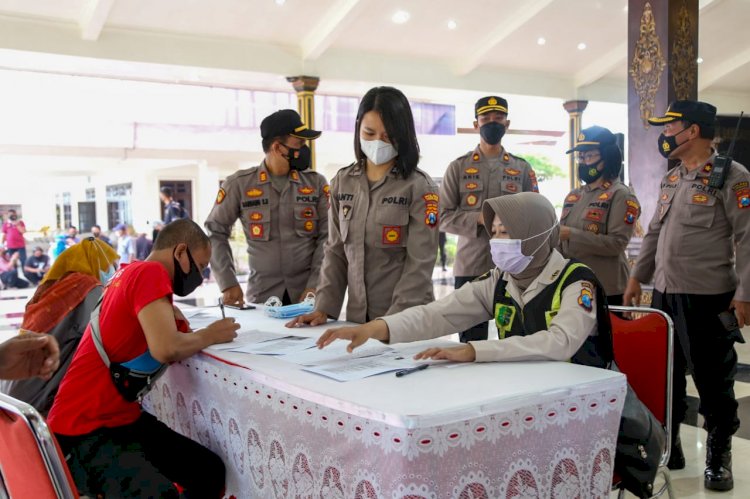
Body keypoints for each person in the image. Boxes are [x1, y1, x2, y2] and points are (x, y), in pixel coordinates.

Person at [47, 219, 239, 498]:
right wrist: (212, 334)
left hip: (117, 418)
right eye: (200, 266)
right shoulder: (150, 272)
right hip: (86, 427)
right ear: (180, 251)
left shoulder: (129, 271)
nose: (200, 275)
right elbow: (166, 348)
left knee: (206, 471)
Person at [315, 192, 611, 370]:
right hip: (527, 389)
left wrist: (474, 350)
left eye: (506, 232)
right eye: (494, 232)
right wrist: (376, 328)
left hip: (583, 395)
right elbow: (439, 314)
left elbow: (560, 343)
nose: (496, 241)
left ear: (535, 234)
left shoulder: (576, 281)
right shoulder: (500, 280)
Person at [623, 100, 750, 492]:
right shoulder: (672, 179)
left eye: (669, 127)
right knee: (667, 375)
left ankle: (718, 454)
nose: (663, 134)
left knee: (714, 379)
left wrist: (745, 293)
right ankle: (670, 443)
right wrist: (636, 278)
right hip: (665, 296)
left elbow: (748, 239)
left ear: (692, 131)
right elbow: (656, 235)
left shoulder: (734, 177)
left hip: (709, 297)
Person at [288, 86, 439, 325]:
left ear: (404, 135)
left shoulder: (420, 187)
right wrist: (323, 307)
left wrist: (389, 324)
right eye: (369, 133)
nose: (378, 142)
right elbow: (336, 251)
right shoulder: (343, 182)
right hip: (358, 319)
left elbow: (419, 264)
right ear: (358, 128)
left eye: (388, 136)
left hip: (406, 320)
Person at [440, 96, 539, 343]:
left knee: (516, 338)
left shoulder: (522, 168)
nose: (492, 123)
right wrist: (481, 219)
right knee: (471, 341)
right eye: (486, 119)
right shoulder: (458, 167)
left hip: (514, 266)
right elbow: (442, 217)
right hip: (471, 265)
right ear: (476, 124)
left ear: (507, 123)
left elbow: (537, 212)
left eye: (498, 118)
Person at [205, 109, 329, 306]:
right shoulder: (239, 184)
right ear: (278, 147)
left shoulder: (315, 183)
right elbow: (215, 232)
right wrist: (227, 283)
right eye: (300, 144)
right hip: (263, 297)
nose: (305, 150)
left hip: (308, 295)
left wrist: (315, 284)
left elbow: (328, 236)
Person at [4, 238, 119, 415]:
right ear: (96, 261)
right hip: (35, 396)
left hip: (11, 388)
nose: (113, 269)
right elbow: (107, 333)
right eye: (110, 264)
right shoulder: (86, 287)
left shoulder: (56, 286)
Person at [559, 126, 641, 305]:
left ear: (607, 157)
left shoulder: (621, 195)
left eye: (589, 156)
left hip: (608, 289)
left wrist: (571, 234)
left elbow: (616, 244)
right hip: (575, 285)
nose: (583, 162)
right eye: (580, 156)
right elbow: (560, 241)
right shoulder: (574, 195)